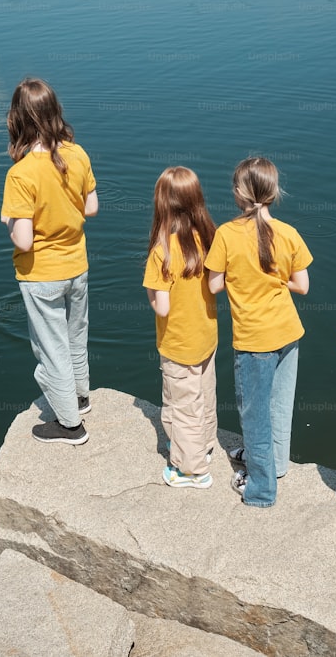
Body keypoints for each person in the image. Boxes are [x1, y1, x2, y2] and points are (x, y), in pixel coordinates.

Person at [205, 157, 312, 507]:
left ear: (239, 193)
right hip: (288, 334)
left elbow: (215, 284)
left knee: (254, 415)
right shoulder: (289, 233)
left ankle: (261, 489)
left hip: (255, 341)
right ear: (273, 192)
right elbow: (302, 285)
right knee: (280, 406)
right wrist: (275, 278)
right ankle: (274, 464)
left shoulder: (226, 234)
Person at [0, 78, 98, 445]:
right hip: (77, 266)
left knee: (50, 346)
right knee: (76, 335)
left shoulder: (20, 174)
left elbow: (24, 240)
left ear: (17, 120)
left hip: (41, 275)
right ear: (55, 113)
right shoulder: (77, 153)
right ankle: (81, 396)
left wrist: (10, 220)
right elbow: (91, 208)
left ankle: (70, 425)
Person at [143, 167, 219, 489]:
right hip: (205, 338)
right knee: (204, 395)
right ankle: (205, 446)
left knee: (182, 405)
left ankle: (192, 471)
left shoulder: (162, 252)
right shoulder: (210, 240)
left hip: (177, 346)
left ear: (162, 205)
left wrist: (149, 295)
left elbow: (163, 307)